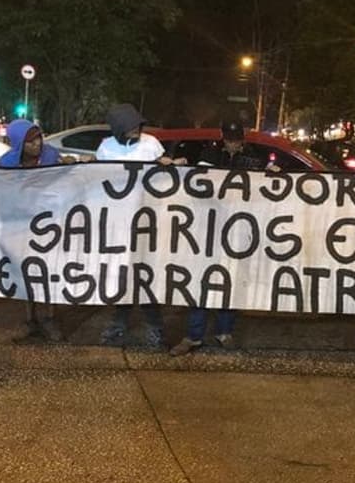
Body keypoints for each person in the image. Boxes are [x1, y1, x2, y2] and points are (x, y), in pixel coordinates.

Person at [169, 122, 277, 356]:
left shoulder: (253, 157)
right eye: (229, 139)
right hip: (207, 228)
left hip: (238, 229)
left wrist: (273, 171)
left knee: (231, 281)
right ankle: (194, 336)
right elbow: (196, 181)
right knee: (201, 282)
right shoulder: (209, 154)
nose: (233, 144)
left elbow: (265, 181)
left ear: (242, 139)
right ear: (223, 138)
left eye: (236, 139)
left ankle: (224, 331)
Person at [95, 104, 184, 348]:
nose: (136, 129)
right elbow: (97, 179)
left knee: (147, 276)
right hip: (119, 222)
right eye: (130, 125)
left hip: (148, 221)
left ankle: (155, 328)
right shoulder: (106, 148)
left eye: (137, 124)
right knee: (123, 277)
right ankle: (118, 324)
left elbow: (164, 180)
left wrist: (170, 165)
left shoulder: (151, 144)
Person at [0, 119, 65, 343]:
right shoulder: (7, 163)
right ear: (19, 145)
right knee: (25, 273)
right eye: (30, 142)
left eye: (38, 138)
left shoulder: (52, 155)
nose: (37, 144)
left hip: (51, 223)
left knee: (50, 272)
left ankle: (50, 318)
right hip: (21, 226)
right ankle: (30, 319)